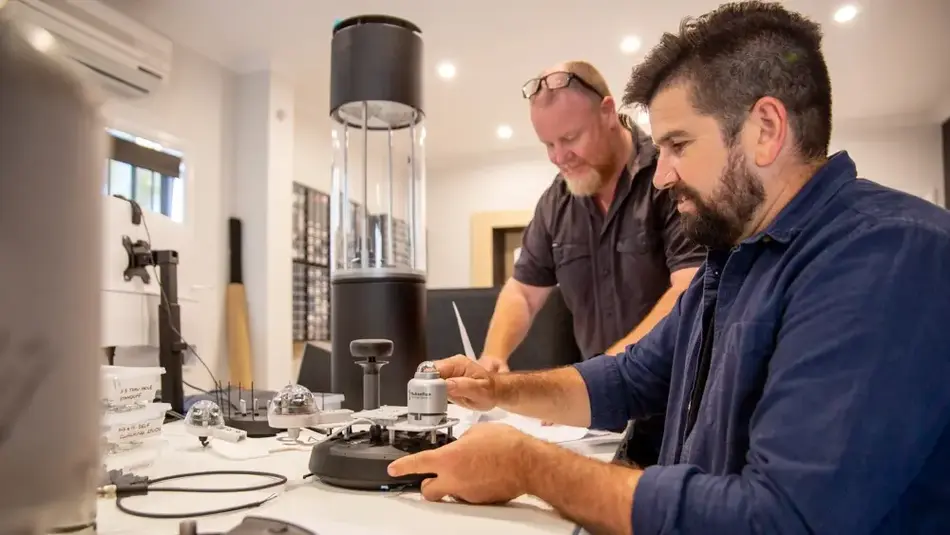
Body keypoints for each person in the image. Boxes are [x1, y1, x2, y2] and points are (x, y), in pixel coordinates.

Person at [387, 3, 950, 534]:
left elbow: (779, 519)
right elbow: (629, 377)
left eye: (678, 145)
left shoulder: (884, 253)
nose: (661, 175)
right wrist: (498, 388)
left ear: (766, 129)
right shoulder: (731, 261)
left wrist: (529, 467)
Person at [478, 61, 703, 376]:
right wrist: (493, 356)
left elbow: (689, 287)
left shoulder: (666, 178)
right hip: (603, 406)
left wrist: (603, 375)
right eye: (548, 144)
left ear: (608, 113)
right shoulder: (555, 204)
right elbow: (523, 292)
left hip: (675, 395)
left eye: (570, 138)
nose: (559, 157)